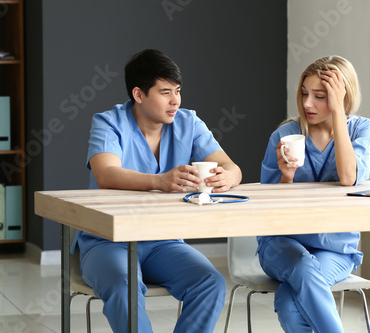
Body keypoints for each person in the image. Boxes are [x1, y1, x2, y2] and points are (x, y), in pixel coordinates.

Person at [71, 49, 242, 333]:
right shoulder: (108, 122)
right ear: (139, 95)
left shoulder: (189, 122)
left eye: (177, 91)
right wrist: (159, 181)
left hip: (163, 241)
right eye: (165, 92)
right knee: (125, 284)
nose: (175, 100)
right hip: (108, 241)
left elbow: (229, 165)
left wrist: (228, 177)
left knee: (210, 282)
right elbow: (106, 173)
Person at [257, 56, 370, 332]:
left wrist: (338, 116)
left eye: (320, 96)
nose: (308, 103)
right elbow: (268, 211)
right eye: (304, 94)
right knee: (302, 268)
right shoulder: (285, 135)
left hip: (335, 248)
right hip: (281, 245)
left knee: (289, 301)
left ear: (341, 96)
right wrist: (286, 177)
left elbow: (349, 177)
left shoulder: (362, 130)